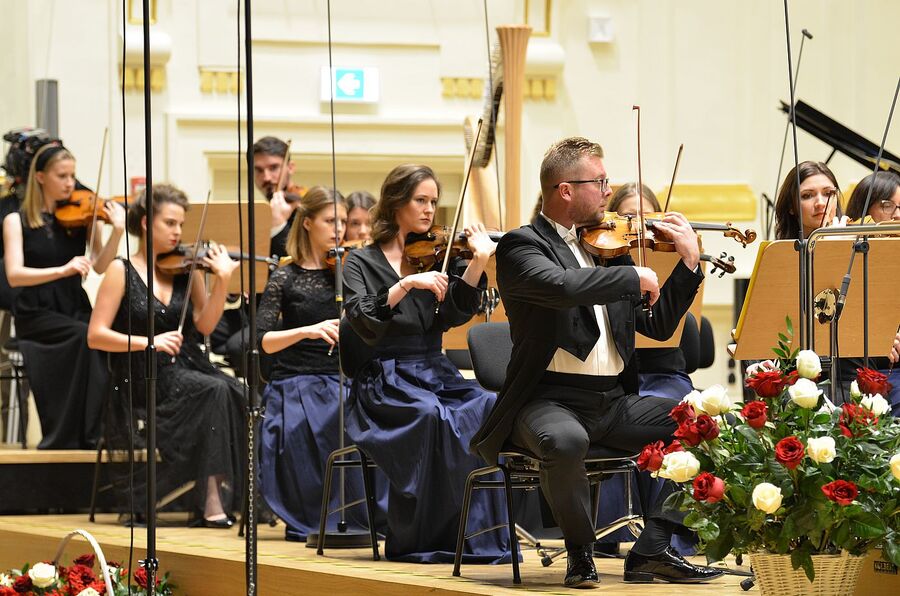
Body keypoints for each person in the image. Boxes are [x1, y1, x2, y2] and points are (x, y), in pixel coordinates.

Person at [470, 137, 723, 587]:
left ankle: (654, 546)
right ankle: (580, 552)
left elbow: (659, 326)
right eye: (600, 182)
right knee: (565, 442)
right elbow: (564, 286)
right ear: (565, 189)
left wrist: (688, 264)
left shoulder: (609, 247)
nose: (610, 192)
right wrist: (630, 276)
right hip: (546, 399)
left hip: (611, 402)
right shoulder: (520, 247)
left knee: (702, 420)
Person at [341, 163, 510, 563]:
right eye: (421, 200)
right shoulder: (360, 263)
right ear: (396, 202)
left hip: (433, 370)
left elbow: (451, 315)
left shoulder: (434, 255)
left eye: (434, 201)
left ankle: (475, 534)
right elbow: (361, 318)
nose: (430, 209)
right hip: (384, 378)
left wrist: (476, 264)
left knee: (484, 405)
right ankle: (422, 537)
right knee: (431, 415)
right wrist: (404, 285)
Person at [87, 183, 245, 527]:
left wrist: (221, 282)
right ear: (146, 223)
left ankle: (217, 492)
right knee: (213, 390)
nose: (177, 232)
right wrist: (149, 342)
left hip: (186, 364)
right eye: (170, 223)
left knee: (237, 391)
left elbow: (205, 325)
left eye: (181, 225)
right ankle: (211, 498)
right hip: (141, 374)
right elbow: (95, 335)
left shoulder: (186, 269)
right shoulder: (120, 269)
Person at [257, 186, 384, 541]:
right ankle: (320, 511)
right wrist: (307, 331)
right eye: (331, 220)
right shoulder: (286, 276)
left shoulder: (351, 271)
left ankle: (373, 514)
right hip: (296, 381)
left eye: (344, 221)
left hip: (343, 378)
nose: (340, 229)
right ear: (308, 223)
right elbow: (262, 341)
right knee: (319, 419)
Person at [3, 144, 125, 449]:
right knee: (87, 337)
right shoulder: (16, 221)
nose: (71, 182)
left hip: (73, 304)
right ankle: (75, 433)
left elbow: (99, 264)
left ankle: (103, 431)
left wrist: (118, 232)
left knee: (110, 336)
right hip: (35, 311)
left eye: (73, 175)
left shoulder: (80, 217)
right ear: (41, 177)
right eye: (63, 175)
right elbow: (15, 275)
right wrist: (63, 269)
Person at [773, 161, 845, 241]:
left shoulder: (856, 245)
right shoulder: (776, 251)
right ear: (791, 206)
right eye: (807, 196)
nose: (820, 203)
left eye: (828, 193)